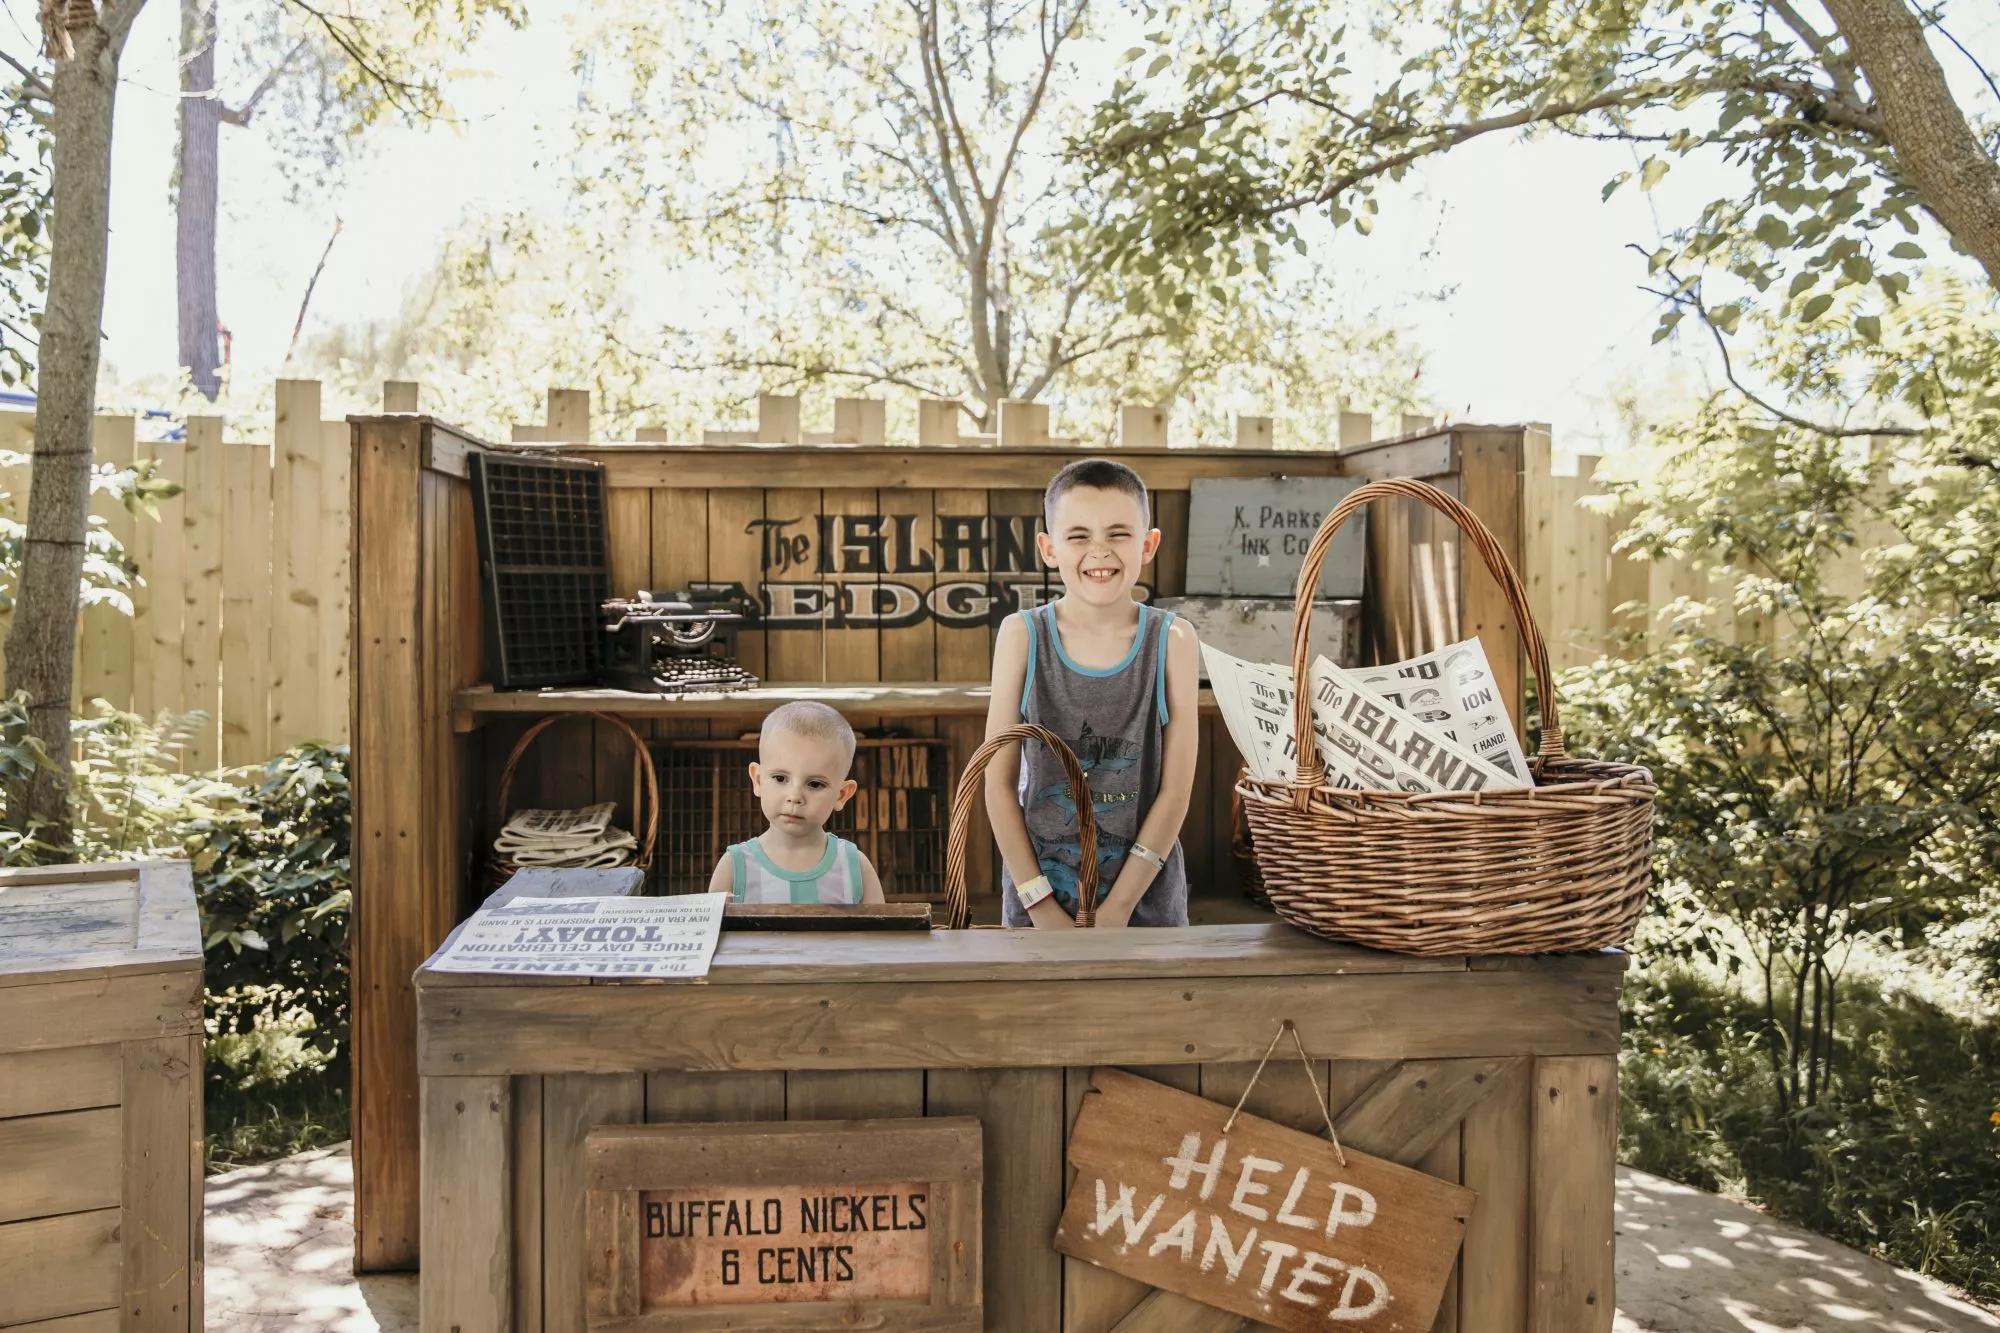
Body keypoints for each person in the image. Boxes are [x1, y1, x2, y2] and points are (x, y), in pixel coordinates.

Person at [984, 457, 1200, 928]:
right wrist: (1039, 907)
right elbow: (997, 786)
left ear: (1148, 544)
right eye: (1078, 536)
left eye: (1118, 534)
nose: (1099, 552)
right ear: (1048, 548)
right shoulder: (1021, 635)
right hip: (1037, 900)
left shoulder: (1175, 640)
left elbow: (1175, 793)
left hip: (1145, 905)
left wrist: (1118, 909)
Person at [708, 701, 886, 904]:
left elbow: (880, 935)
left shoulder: (855, 867)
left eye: (815, 784)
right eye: (780, 778)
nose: (795, 796)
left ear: (841, 795)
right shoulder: (735, 867)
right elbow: (710, 935)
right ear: (758, 780)